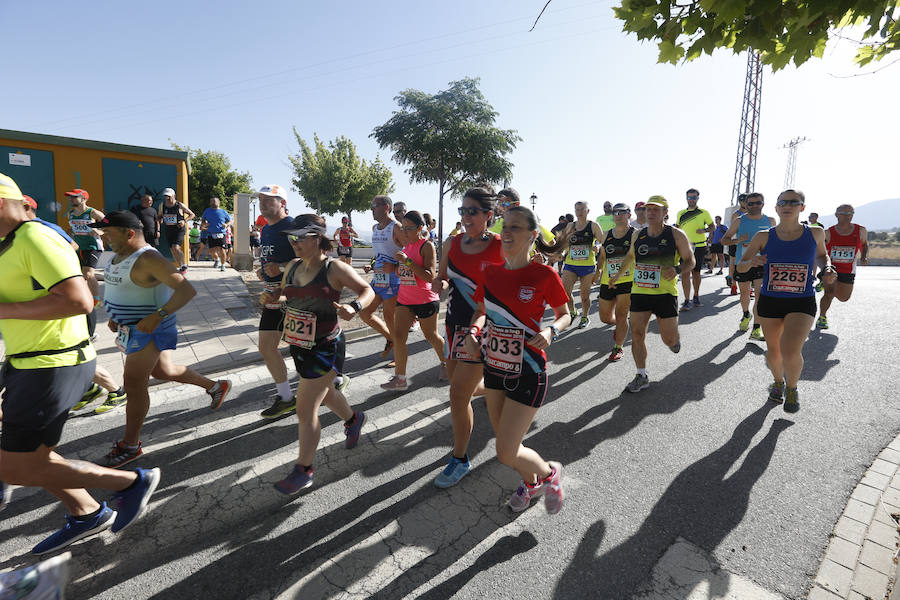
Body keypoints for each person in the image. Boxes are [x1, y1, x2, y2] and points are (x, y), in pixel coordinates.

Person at [0, 173, 160, 555]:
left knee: (14, 466)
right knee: (26, 454)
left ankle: (129, 483)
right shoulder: (8, 244)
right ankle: (87, 511)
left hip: (53, 363)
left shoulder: (34, 236)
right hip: (27, 361)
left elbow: (78, 299)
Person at [90, 211, 231, 467]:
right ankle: (215, 386)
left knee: (132, 383)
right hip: (131, 327)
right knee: (165, 371)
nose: (104, 237)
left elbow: (186, 289)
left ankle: (130, 445)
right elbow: (121, 287)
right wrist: (115, 315)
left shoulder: (149, 258)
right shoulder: (119, 256)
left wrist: (159, 315)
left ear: (129, 233)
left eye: (109, 233)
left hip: (151, 328)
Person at [463, 205, 571, 514]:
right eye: (504, 226)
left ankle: (550, 473)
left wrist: (551, 330)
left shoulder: (544, 274)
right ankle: (531, 483)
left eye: (515, 227)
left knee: (505, 451)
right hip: (495, 367)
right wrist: (473, 332)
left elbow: (565, 315)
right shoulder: (492, 273)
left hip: (530, 370)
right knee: (510, 449)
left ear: (532, 235)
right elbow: (482, 311)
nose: (506, 232)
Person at [261, 214, 374, 494]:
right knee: (326, 395)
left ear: (316, 238)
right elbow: (287, 295)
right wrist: (274, 299)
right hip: (300, 344)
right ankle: (353, 419)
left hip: (326, 345)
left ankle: (304, 469)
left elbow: (366, 289)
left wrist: (355, 307)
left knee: (306, 405)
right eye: (292, 238)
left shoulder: (333, 268)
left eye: (300, 237)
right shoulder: (293, 267)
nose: (295, 243)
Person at [24, 196, 128, 414]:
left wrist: (98, 233)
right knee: (65, 358)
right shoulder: (17, 234)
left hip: (61, 303)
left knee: (74, 355)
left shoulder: (43, 229)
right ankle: (89, 389)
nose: (71, 200)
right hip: (39, 313)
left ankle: (115, 391)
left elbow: (71, 245)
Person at [737, 190, 835, 412]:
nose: (787, 206)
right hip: (771, 300)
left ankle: (791, 387)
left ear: (802, 207)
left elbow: (821, 255)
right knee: (774, 350)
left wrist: (827, 267)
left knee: (790, 350)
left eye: (793, 202)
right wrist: (753, 261)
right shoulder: (763, 236)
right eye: (782, 202)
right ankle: (778, 382)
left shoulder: (816, 233)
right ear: (776, 208)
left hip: (802, 300)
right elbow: (740, 267)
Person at [433, 186, 504, 488]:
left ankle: (460, 459)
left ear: (489, 215)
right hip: (453, 325)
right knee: (460, 387)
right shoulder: (452, 242)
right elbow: (442, 274)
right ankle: (497, 388)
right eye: (462, 211)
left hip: (483, 327)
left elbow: (515, 278)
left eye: (472, 211)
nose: (465, 217)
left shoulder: (501, 245)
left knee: (458, 394)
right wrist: (441, 282)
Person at [612, 196, 694, 393]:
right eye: (648, 209)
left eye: (656, 210)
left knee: (669, 338)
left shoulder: (676, 234)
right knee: (638, 334)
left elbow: (690, 261)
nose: (650, 213)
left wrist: (676, 268)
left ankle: (674, 341)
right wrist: (617, 275)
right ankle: (641, 375)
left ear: (666, 212)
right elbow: (631, 256)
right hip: (640, 292)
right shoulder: (637, 235)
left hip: (665, 294)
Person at [245, 185, 304, 418]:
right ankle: (287, 398)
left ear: (282, 203)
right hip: (272, 297)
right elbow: (271, 260)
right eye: (261, 199)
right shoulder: (266, 230)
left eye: (269, 199)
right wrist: (263, 271)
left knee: (303, 349)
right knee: (266, 348)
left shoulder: (292, 227)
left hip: (295, 298)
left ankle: (335, 378)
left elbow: (309, 261)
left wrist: (278, 268)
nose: (263, 202)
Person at [381, 210, 447, 390]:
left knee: (431, 335)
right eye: (403, 228)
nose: (404, 232)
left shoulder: (426, 246)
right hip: (404, 299)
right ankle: (400, 379)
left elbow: (429, 276)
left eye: (409, 228)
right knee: (399, 337)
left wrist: (408, 262)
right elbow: (405, 273)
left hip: (425, 299)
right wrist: (393, 268)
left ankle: (446, 363)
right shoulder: (404, 248)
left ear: (419, 228)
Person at [721, 192, 775, 341]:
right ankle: (746, 314)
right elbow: (724, 241)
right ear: (745, 205)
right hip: (743, 263)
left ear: (763, 203)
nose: (754, 206)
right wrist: (738, 240)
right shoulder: (739, 221)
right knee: (745, 294)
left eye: (758, 203)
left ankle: (756, 329)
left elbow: (776, 241)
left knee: (759, 296)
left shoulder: (770, 220)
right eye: (750, 203)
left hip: (761, 263)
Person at [358, 195, 404, 361]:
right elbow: (378, 252)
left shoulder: (396, 227)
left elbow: (411, 252)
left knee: (389, 317)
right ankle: (390, 339)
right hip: (379, 277)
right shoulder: (375, 228)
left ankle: (399, 357)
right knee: (365, 312)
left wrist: (396, 267)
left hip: (394, 278)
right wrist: (371, 264)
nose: (371, 209)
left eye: (374, 205)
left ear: (386, 207)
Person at [817, 204, 868, 329]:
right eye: (843, 213)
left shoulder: (860, 230)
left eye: (850, 213)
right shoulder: (828, 233)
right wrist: (824, 267)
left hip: (848, 270)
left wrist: (863, 256)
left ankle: (826, 284)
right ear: (836, 214)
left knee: (844, 298)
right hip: (831, 268)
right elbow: (820, 251)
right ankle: (822, 317)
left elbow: (865, 244)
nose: (847, 216)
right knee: (829, 293)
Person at [555, 201, 605, 329]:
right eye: (577, 209)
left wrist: (597, 247)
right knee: (565, 293)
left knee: (584, 296)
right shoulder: (571, 226)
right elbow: (566, 244)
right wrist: (562, 252)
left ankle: (585, 316)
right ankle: (573, 311)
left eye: (582, 209)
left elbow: (602, 242)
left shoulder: (593, 226)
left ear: (587, 211)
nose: (579, 212)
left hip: (587, 266)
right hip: (571, 264)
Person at [596, 203, 634, 362]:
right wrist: (598, 270)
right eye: (615, 212)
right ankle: (620, 326)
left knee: (621, 315)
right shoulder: (606, 235)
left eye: (621, 212)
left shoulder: (635, 234)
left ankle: (618, 347)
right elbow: (603, 256)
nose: (617, 215)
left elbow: (633, 256)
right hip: (607, 280)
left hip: (627, 280)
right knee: (604, 318)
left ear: (628, 214)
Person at [64, 189, 105, 334]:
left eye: (74, 197)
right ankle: (86, 295)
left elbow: (106, 222)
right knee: (81, 274)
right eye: (70, 198)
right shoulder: (71, 214)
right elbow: (72, 228)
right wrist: (68, 233)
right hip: (78, 247)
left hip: (93, 247)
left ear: (84, 198)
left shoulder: (92, 212)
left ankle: (95, 300)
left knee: (87, 274)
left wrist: (99, 231)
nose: (71, 200)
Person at [676, 188, 714, 310]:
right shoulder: (681, 213)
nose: (691, 200)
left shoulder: (703, 212)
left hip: (699, 245)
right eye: (689, 197)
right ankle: (687, 300)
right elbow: (677, 229)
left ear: (698, 198)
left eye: (693, 197)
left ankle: (696, 296)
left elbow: (712, 227)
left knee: (696, 272)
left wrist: (704, 230)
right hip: (685, 246)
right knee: (685, 273)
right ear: (686, 198)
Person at [157, 188, 194, 273]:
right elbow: (160, 216)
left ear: (174, 196)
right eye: (166, 196)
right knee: (172, 249)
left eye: (169, 196)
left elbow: (192, 214)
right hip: (169, 229)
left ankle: (184, 265)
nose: (167, 198)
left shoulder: (179, 205)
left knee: (176, 247)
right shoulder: (162, 205)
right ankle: (180, 266)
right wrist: (160, 220)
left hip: (179, 229)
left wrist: (184, 221)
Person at [201, 197, 232, 271]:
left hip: (221, 233)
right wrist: (205, 224)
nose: (213, 203)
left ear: (218, 203)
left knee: (222, 250)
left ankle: (223, 265)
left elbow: (230, 221)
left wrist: (226, 224)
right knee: (212, 251)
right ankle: (216, 259)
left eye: (214, 201)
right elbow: (203, 220)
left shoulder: (223, 212)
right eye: (211, 201)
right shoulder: (207, 211)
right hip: (211, 233)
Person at [726, 194, 749, 295]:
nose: (745, 203)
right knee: (733, 264)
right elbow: (734, 229)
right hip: (736, 242)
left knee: (749, 264)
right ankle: (733, 285)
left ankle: (749, 288)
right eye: (743, 201)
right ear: (740, 202)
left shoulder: (752, 213)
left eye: (746, 201)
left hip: (748, 242)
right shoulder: (736, 214)